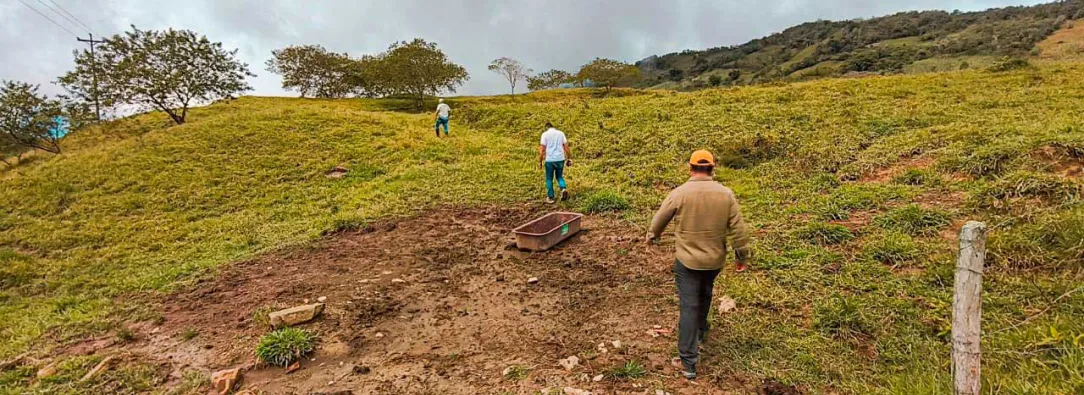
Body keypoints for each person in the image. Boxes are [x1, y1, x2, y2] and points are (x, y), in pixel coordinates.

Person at [646, 150, 750, 380]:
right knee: (705, 291)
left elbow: (660, 219)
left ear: (690, 168)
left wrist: (652, 235)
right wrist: (741, 257)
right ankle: (701, 330)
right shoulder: (726, 195)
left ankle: (688, 362)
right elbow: (739, 231)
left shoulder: (680, 193)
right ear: (713, 168)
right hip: (714, 261)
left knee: (689, 305)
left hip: (687, 260)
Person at [538, 122, 571, 204]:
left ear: (546, 128)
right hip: (560, 159)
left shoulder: (544, 134)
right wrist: (569, 158)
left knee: (549, 178)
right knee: (559, 176)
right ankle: (563, 188)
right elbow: (566, 147)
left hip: (550, 160)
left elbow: (542, 150)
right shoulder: (561, 133)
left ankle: (550, 196)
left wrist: (540, 161)